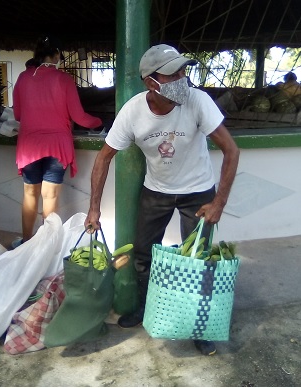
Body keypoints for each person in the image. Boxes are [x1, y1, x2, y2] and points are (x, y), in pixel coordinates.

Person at [85, 44, 240, 356]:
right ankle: (144, 309)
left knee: (197, 259)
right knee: (143, 256)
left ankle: (199, 326)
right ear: (151, 83)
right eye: (173, 73)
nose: (183, 78)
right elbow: (103, 159)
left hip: (198, 193)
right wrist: (93, 208)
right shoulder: (132, 112)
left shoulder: (197, 101)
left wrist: (219, 202)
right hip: (156, 192)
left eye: (184, 70)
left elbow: (231, 150)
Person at [12, 35, 103, 247]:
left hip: (28, 146)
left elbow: (17, 115)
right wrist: (100, 121)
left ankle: (26, 242)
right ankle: (47, 245)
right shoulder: (63, 79)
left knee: (29, 193)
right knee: (50, 195)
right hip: (57, 147)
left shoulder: (23, 78)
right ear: (55, 56)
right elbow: (80, 117)